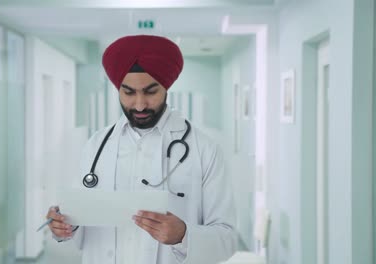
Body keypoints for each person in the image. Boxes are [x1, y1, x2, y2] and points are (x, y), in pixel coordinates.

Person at [46, 35, 237, 264]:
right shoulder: (97, 145)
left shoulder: (204, 149)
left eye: (150, 92)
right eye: (128, 92)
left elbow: (227, 241)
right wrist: (64, 225)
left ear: (166, 87)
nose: (139, 104)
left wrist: (184, 236)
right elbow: (78, 218)